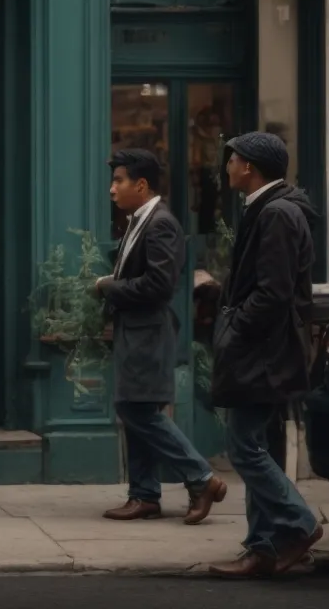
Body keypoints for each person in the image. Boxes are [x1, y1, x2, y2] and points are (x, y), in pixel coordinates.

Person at [208, 131, 322, 578]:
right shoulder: (270, 208)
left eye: (231, 159)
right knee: (260, 446)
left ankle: (297, 524)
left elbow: (272, 293)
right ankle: (263, 546)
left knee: (243, 447)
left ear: (249, 167)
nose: (227, 166)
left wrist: (234, 331)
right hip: (269, 349)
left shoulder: (275, 213)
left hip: (263, 351)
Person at [94, 149, 225, 525]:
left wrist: (107, 287)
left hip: (147, 331)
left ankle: (201, 478)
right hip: (136, 330)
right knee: (136, 408)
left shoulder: (160, 223)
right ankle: (145, 495)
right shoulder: (140, 220)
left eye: (118, 181)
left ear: (142, 184)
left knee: (137, 410)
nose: (112, 189)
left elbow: (159, 284)